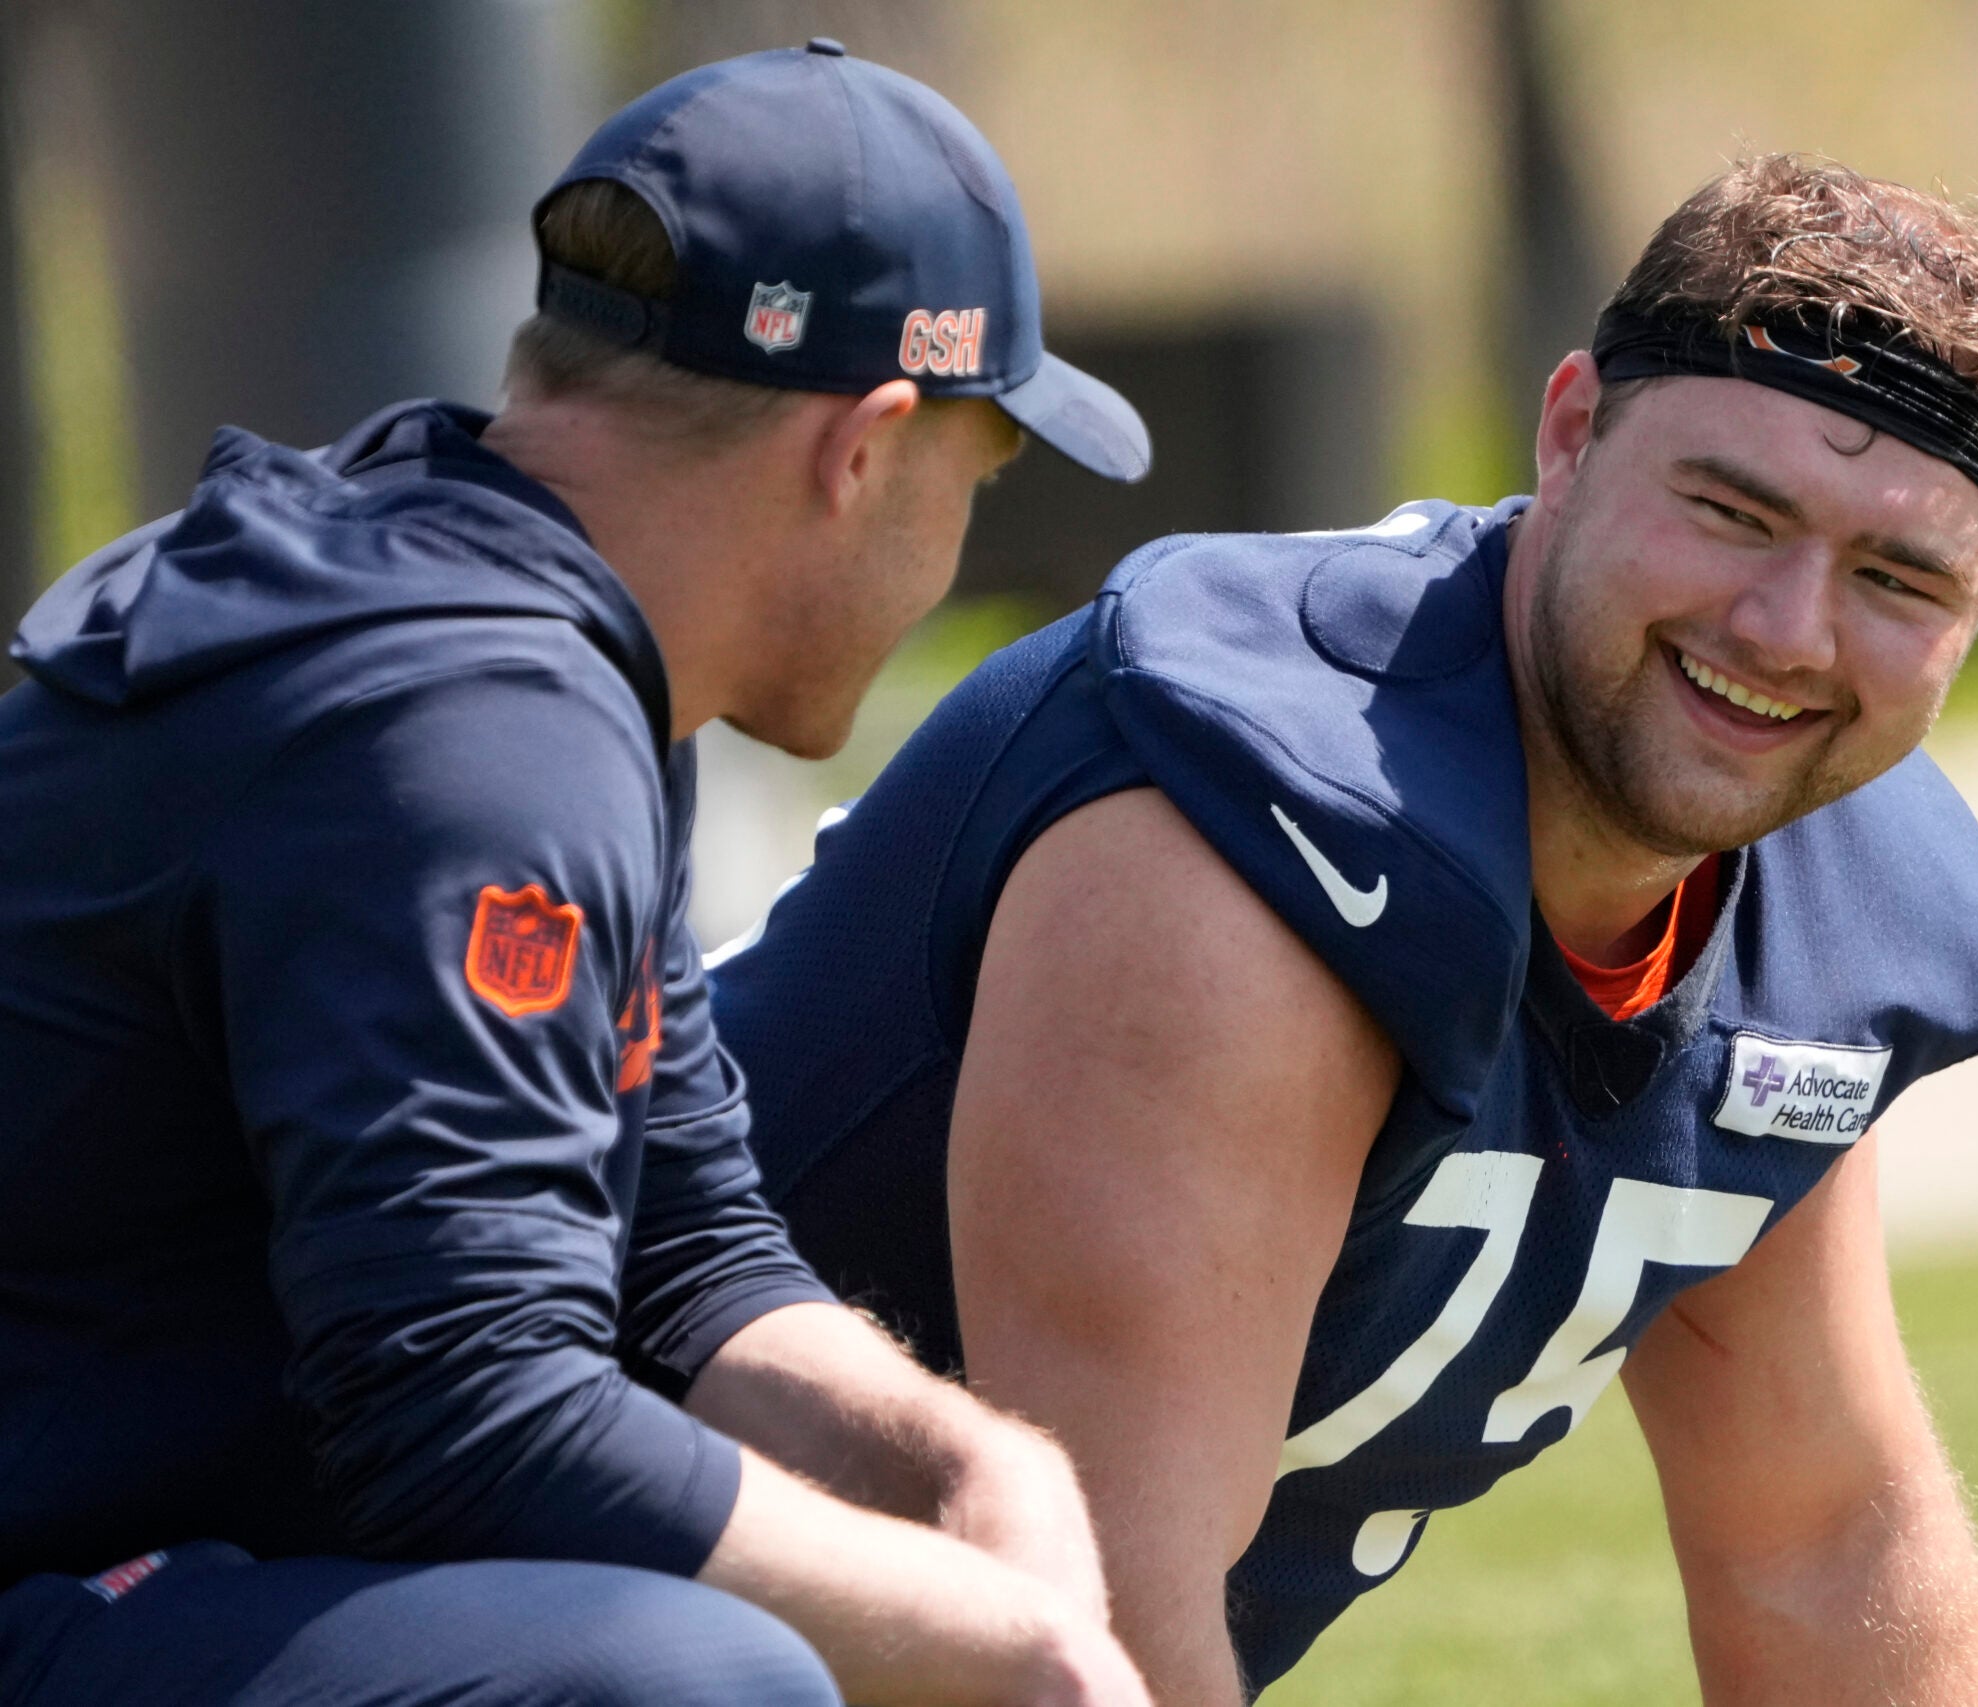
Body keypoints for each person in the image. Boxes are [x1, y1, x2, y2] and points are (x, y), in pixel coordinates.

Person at [707, 152, 1978, 1704]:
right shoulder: (1262, 824)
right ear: (1569, 432)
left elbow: (1820, 1540)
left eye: (1898, 578)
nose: (1785, 630)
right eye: (1730, 509)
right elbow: (1091, 1630)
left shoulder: (1814, 893)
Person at [0, 43, 1156, 1707]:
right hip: (62, 1583)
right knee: (687, 1680)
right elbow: (460, 1408)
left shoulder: (531, 634)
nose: (953, 548)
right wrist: (1021, 1645)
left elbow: (682, 1256)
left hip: (131, 1564)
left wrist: (977, 1468)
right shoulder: (481, 730)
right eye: (973, 483)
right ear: (865, 448)